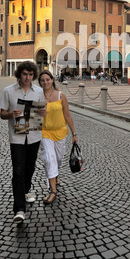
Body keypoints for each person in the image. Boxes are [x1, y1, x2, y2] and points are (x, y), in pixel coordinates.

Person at [0, 61, 46, 224]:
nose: (28, 77)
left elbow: (43, 112)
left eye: (31, 74)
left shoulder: (39, 91)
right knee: (18, 170)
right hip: (17, 137)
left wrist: (43, 112)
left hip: (34, 135)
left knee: (30, 167)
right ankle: (19, 209)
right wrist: (11, 114)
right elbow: (2, 114)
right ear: (19, 74)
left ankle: (25, 190)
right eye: (25, 74)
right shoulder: (8, 91)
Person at [38, 70, 78, 205]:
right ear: (40, 82)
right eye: (42, 80)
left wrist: (74, 134)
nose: (45, 82)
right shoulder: (38, 97)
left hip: (60, 132)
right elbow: (32, 116)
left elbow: (67, 115)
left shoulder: (61, 95)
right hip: (45, 132)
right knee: (49, 159)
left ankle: (56, 174)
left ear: (52, 80)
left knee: (58, 159)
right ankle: (53, 190)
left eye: (47, 79)